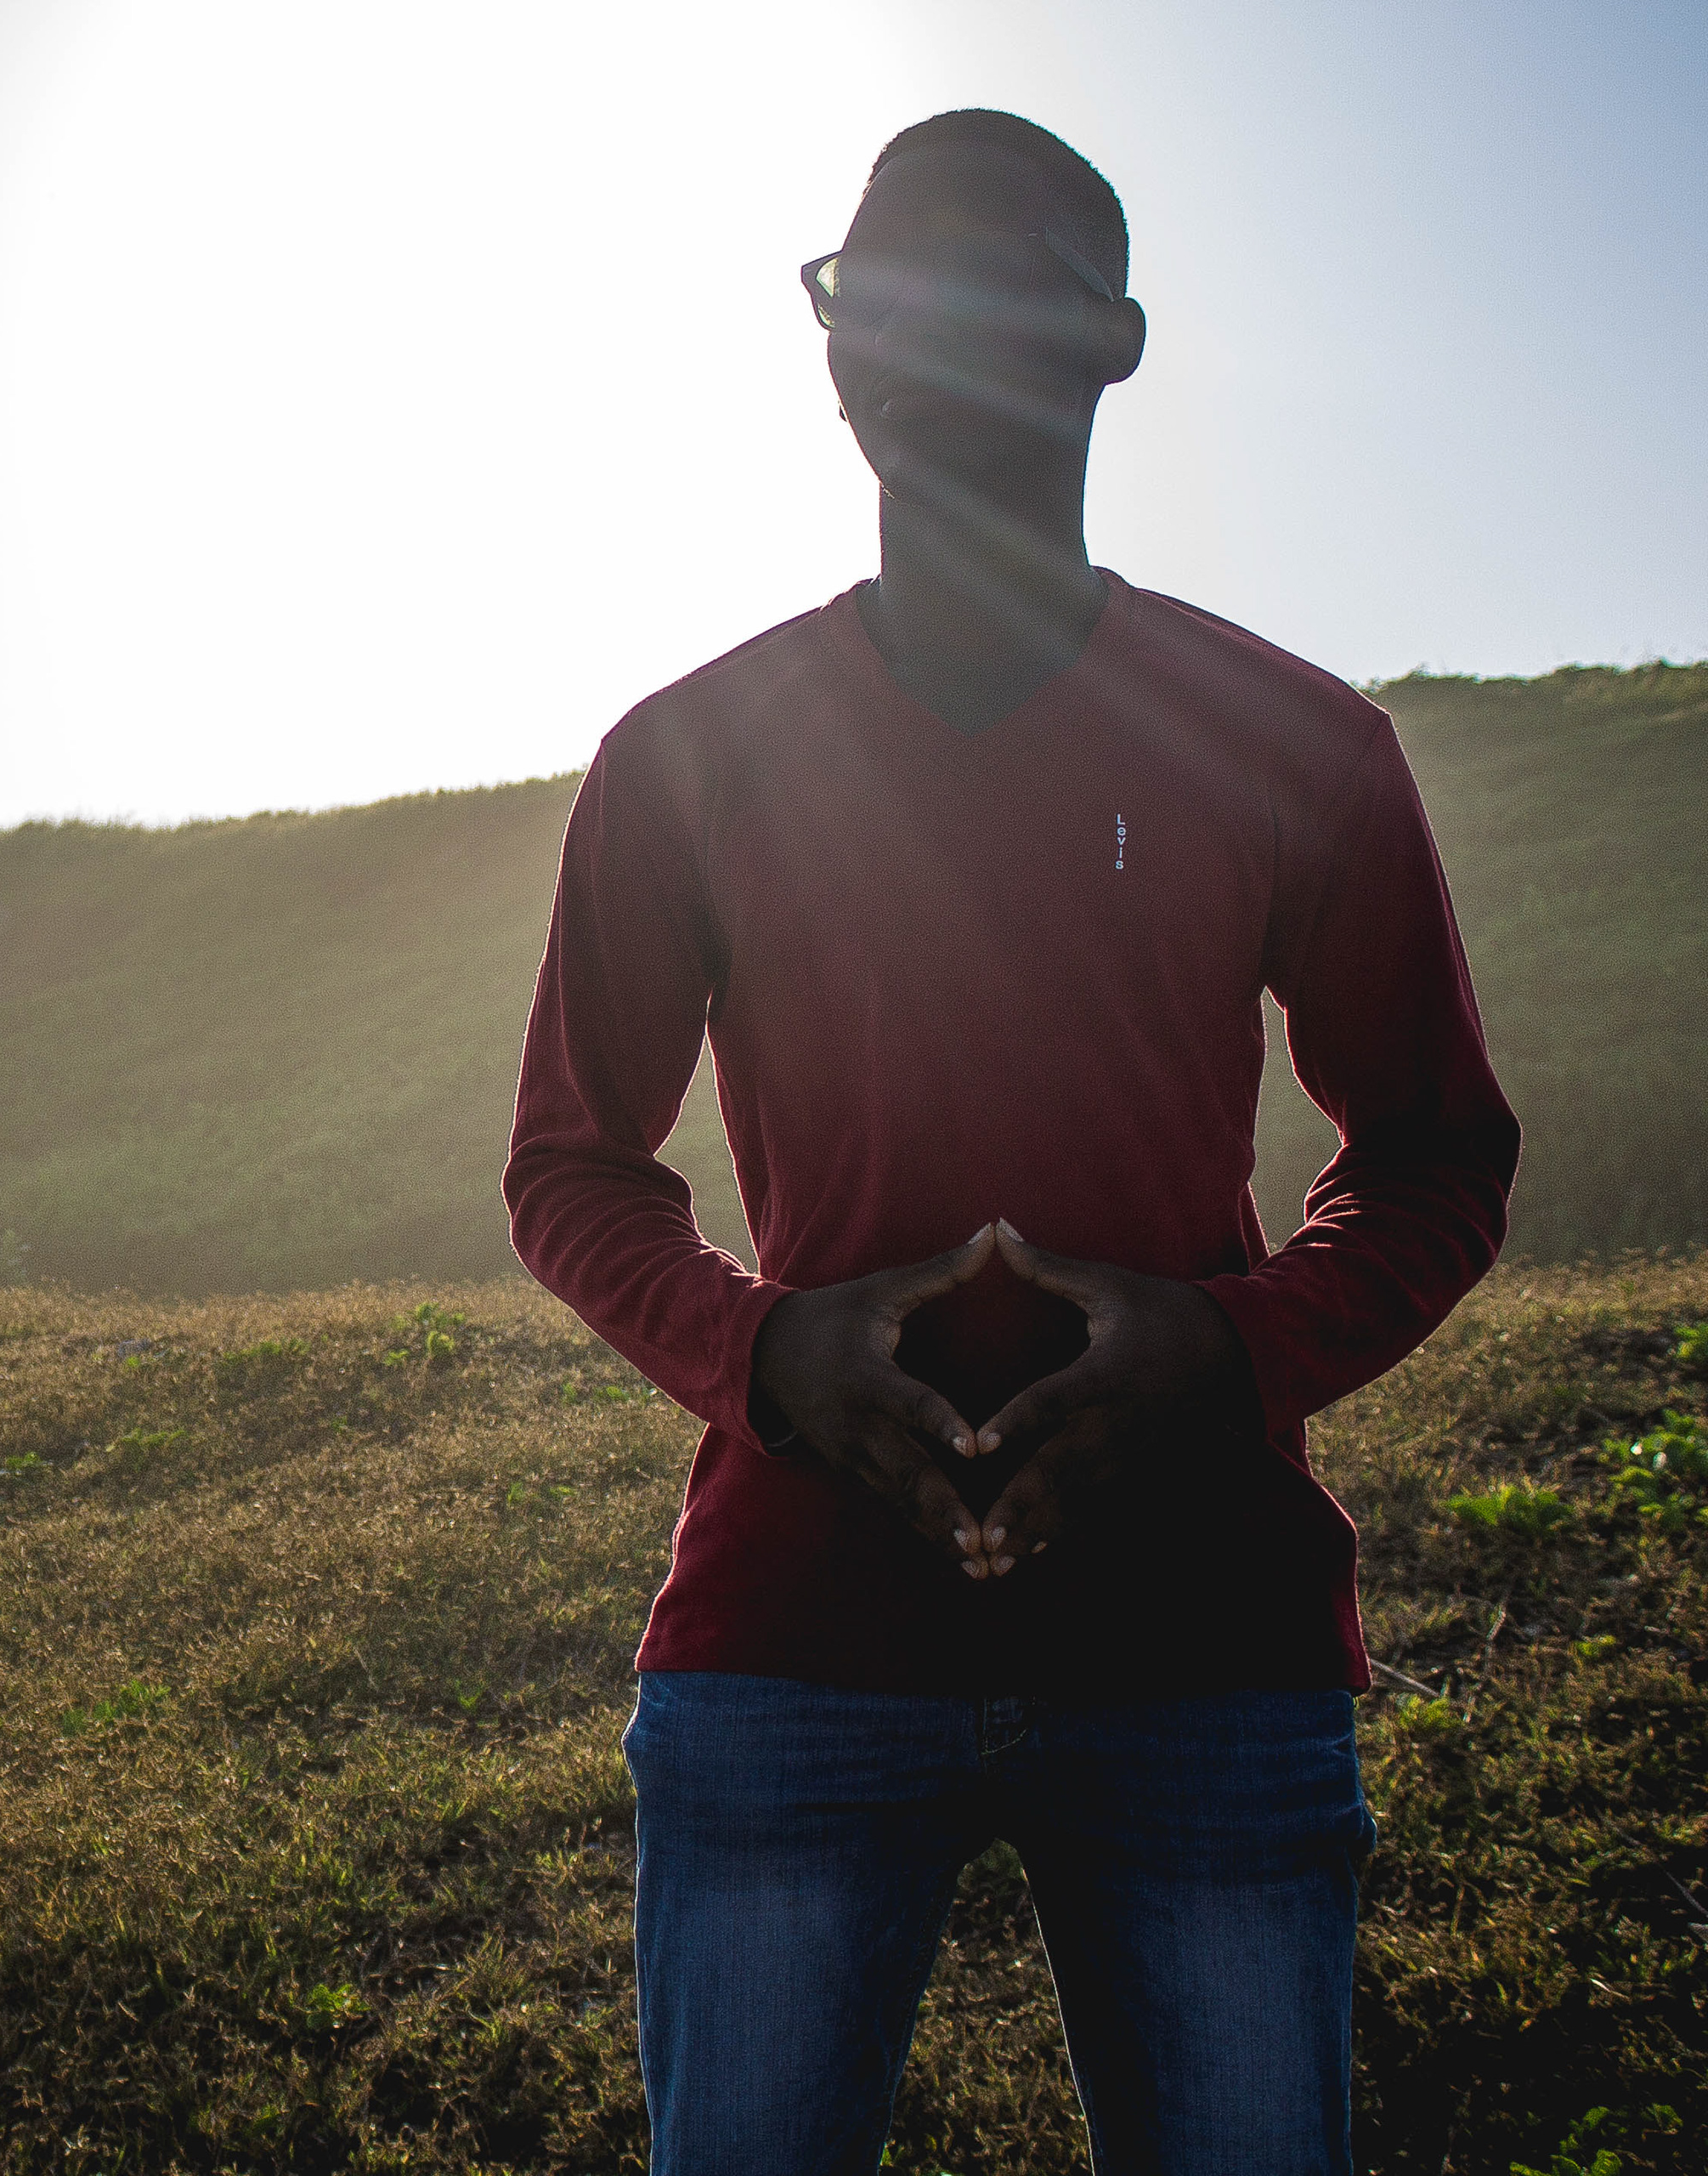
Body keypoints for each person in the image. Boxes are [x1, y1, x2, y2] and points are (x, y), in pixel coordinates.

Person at [501, 110, 1519, 2175]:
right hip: (793, 1641)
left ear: (1113, 343)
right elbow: (572, 1163)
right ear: (832, 343)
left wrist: (1226, 1349)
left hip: (1201, 1644)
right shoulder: (682, 757)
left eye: (988, 284)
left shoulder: (1296, 743)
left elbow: (1434, 1151)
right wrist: (768, 1354)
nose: (919, 331)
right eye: (876, 289)